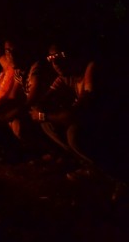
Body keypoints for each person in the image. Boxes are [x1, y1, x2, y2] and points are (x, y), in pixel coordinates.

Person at [29, 43, 100, 177]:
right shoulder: (65, 76)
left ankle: (107, 171)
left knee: (73, 133)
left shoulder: (90, 69)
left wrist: (44, 115)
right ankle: (82, 161)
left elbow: (75, 115)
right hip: (87, 120)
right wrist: (40, 110)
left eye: (60, 57)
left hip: (109, 124)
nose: (55, 63)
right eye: (50, 59)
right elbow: (42, 101)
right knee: (46, 122)